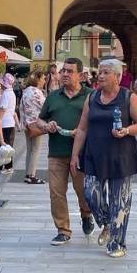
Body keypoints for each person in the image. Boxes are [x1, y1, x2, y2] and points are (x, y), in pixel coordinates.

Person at [71, 58, 137, 259]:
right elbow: (82, 128)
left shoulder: (128, 97)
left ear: (117, 76)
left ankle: (117, 243)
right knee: (91, 194)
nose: (101, 76)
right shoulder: (92, 98)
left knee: (119, 202)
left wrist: (127, 130)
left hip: (122, 157)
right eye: (100, 72)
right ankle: (106, 223)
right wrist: (74, 156)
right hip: (94, 155)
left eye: (106, 72)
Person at [30, 58, 96, 245]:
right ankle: (63, 230)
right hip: (57, 152)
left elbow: (99, 122)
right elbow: (39, 121)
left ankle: (86, 213)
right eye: (63, 71)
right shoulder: (53, 96)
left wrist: (83, 132)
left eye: (69, 71)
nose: (65, 74)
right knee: (56, 192)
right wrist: (47, 125)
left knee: (83, 191)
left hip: (83, 154)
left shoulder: (91, 96)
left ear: (81, 75)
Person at [20, 70, 47, 184]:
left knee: (29, 149)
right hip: (36, 123)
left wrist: (23, 123)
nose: (45, 80)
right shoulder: (36, 92)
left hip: (27, 124)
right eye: (43, 78)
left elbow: (21, 107)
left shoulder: (26, 91)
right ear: (38, 79)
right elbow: (45, 106)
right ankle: (32, 175)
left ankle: (28, 174)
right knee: (35, 150)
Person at [0, 73, 17, 170]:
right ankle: (9, 166)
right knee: (9, 145)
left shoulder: (5, 94)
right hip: (11, 123)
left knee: (3, 146)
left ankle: (2, 166)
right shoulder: (12, 93)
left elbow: (3, 109)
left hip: (4, 123)